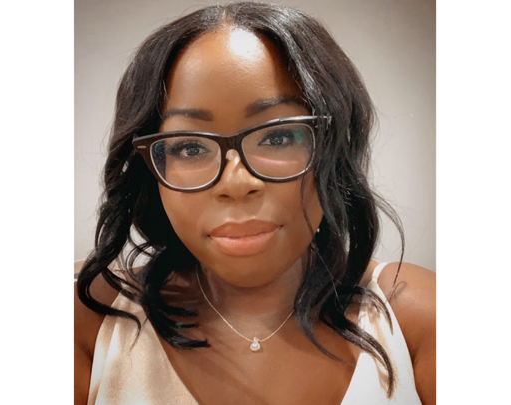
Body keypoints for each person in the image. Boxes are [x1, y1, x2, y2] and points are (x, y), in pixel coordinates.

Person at [74, 2, 435, 404]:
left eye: (278, 137)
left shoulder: (421, 318)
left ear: (335, 149)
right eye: (189, 146)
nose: (236, 183)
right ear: (150, 170)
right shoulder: (87, 319)